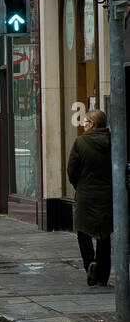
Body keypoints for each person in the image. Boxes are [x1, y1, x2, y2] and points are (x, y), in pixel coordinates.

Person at [67, 108, 113, 286]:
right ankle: (103, 275)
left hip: (86, 194)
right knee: (104, 234)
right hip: (107, 194)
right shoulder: (112, 141)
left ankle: (89, 263)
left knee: (83, 231)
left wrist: (79, 184)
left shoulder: (80, 142)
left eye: (85, 122)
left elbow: (72, 170)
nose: (83, 125)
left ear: (92, 124)